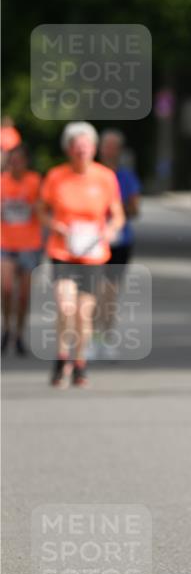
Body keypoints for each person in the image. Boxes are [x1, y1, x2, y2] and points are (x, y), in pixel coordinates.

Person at [36, 122, 125, 388]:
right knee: (65, 306)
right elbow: (41, 210)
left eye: (86, 147)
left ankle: (79, 362)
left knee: (84, 313)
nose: (82, 152)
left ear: (94, 149)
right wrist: (56, 226)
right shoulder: (55, 176)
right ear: (69, 150)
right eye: (77, 148)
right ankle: (61, 357)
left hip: (93, 253)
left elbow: (117, 215)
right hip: (62, 249)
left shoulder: (105, 177)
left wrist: (109, 231)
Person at [96, 129, 142, 359]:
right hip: (91, 242)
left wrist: (115, 209)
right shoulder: (91, 174)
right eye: (106, 146)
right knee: (93, 292)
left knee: (109, 293)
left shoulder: (126, 177)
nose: (110, 151)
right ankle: (93, 338)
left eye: (114, 146)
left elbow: (135, 209)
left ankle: (107, 337)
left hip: (119, 241)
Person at [1, 144, 42, 354]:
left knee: (24, 295)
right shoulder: (2, 182)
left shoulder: (34, 181)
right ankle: (7, 327)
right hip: (5, 243)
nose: (16, 165)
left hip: (29, 244)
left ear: (26, 162)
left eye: (20, 161)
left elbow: (44, 210)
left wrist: (36, 207)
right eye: (12, 161)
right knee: (6, 288)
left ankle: (19, 333)